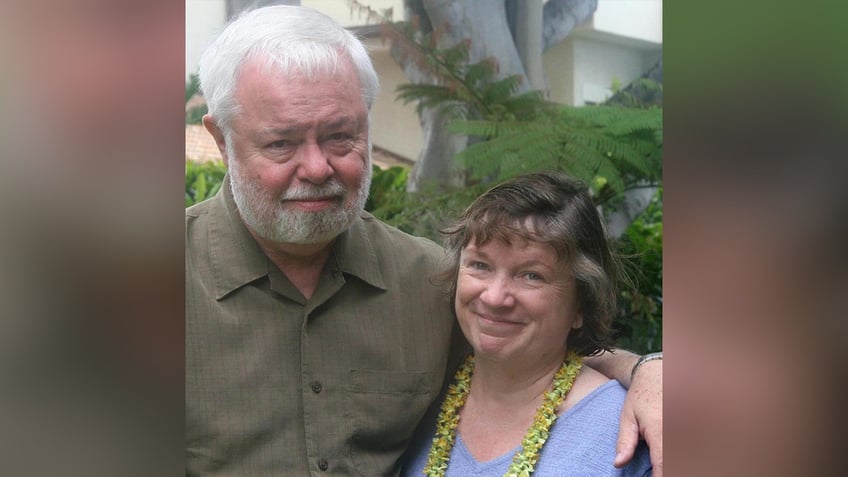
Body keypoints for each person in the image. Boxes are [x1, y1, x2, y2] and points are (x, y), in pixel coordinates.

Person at [186, 5, 662, 476]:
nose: (316, 169)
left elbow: (542, 341)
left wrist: (647, 372)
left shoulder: (431, 282)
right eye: (281, 144)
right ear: (222, 140)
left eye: (339, 137)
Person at [402, 172, 652, 476]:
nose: (494, 297)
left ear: (581, 306)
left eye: (531, 275)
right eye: (480, 265)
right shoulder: (420, 397)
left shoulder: (629, 429)